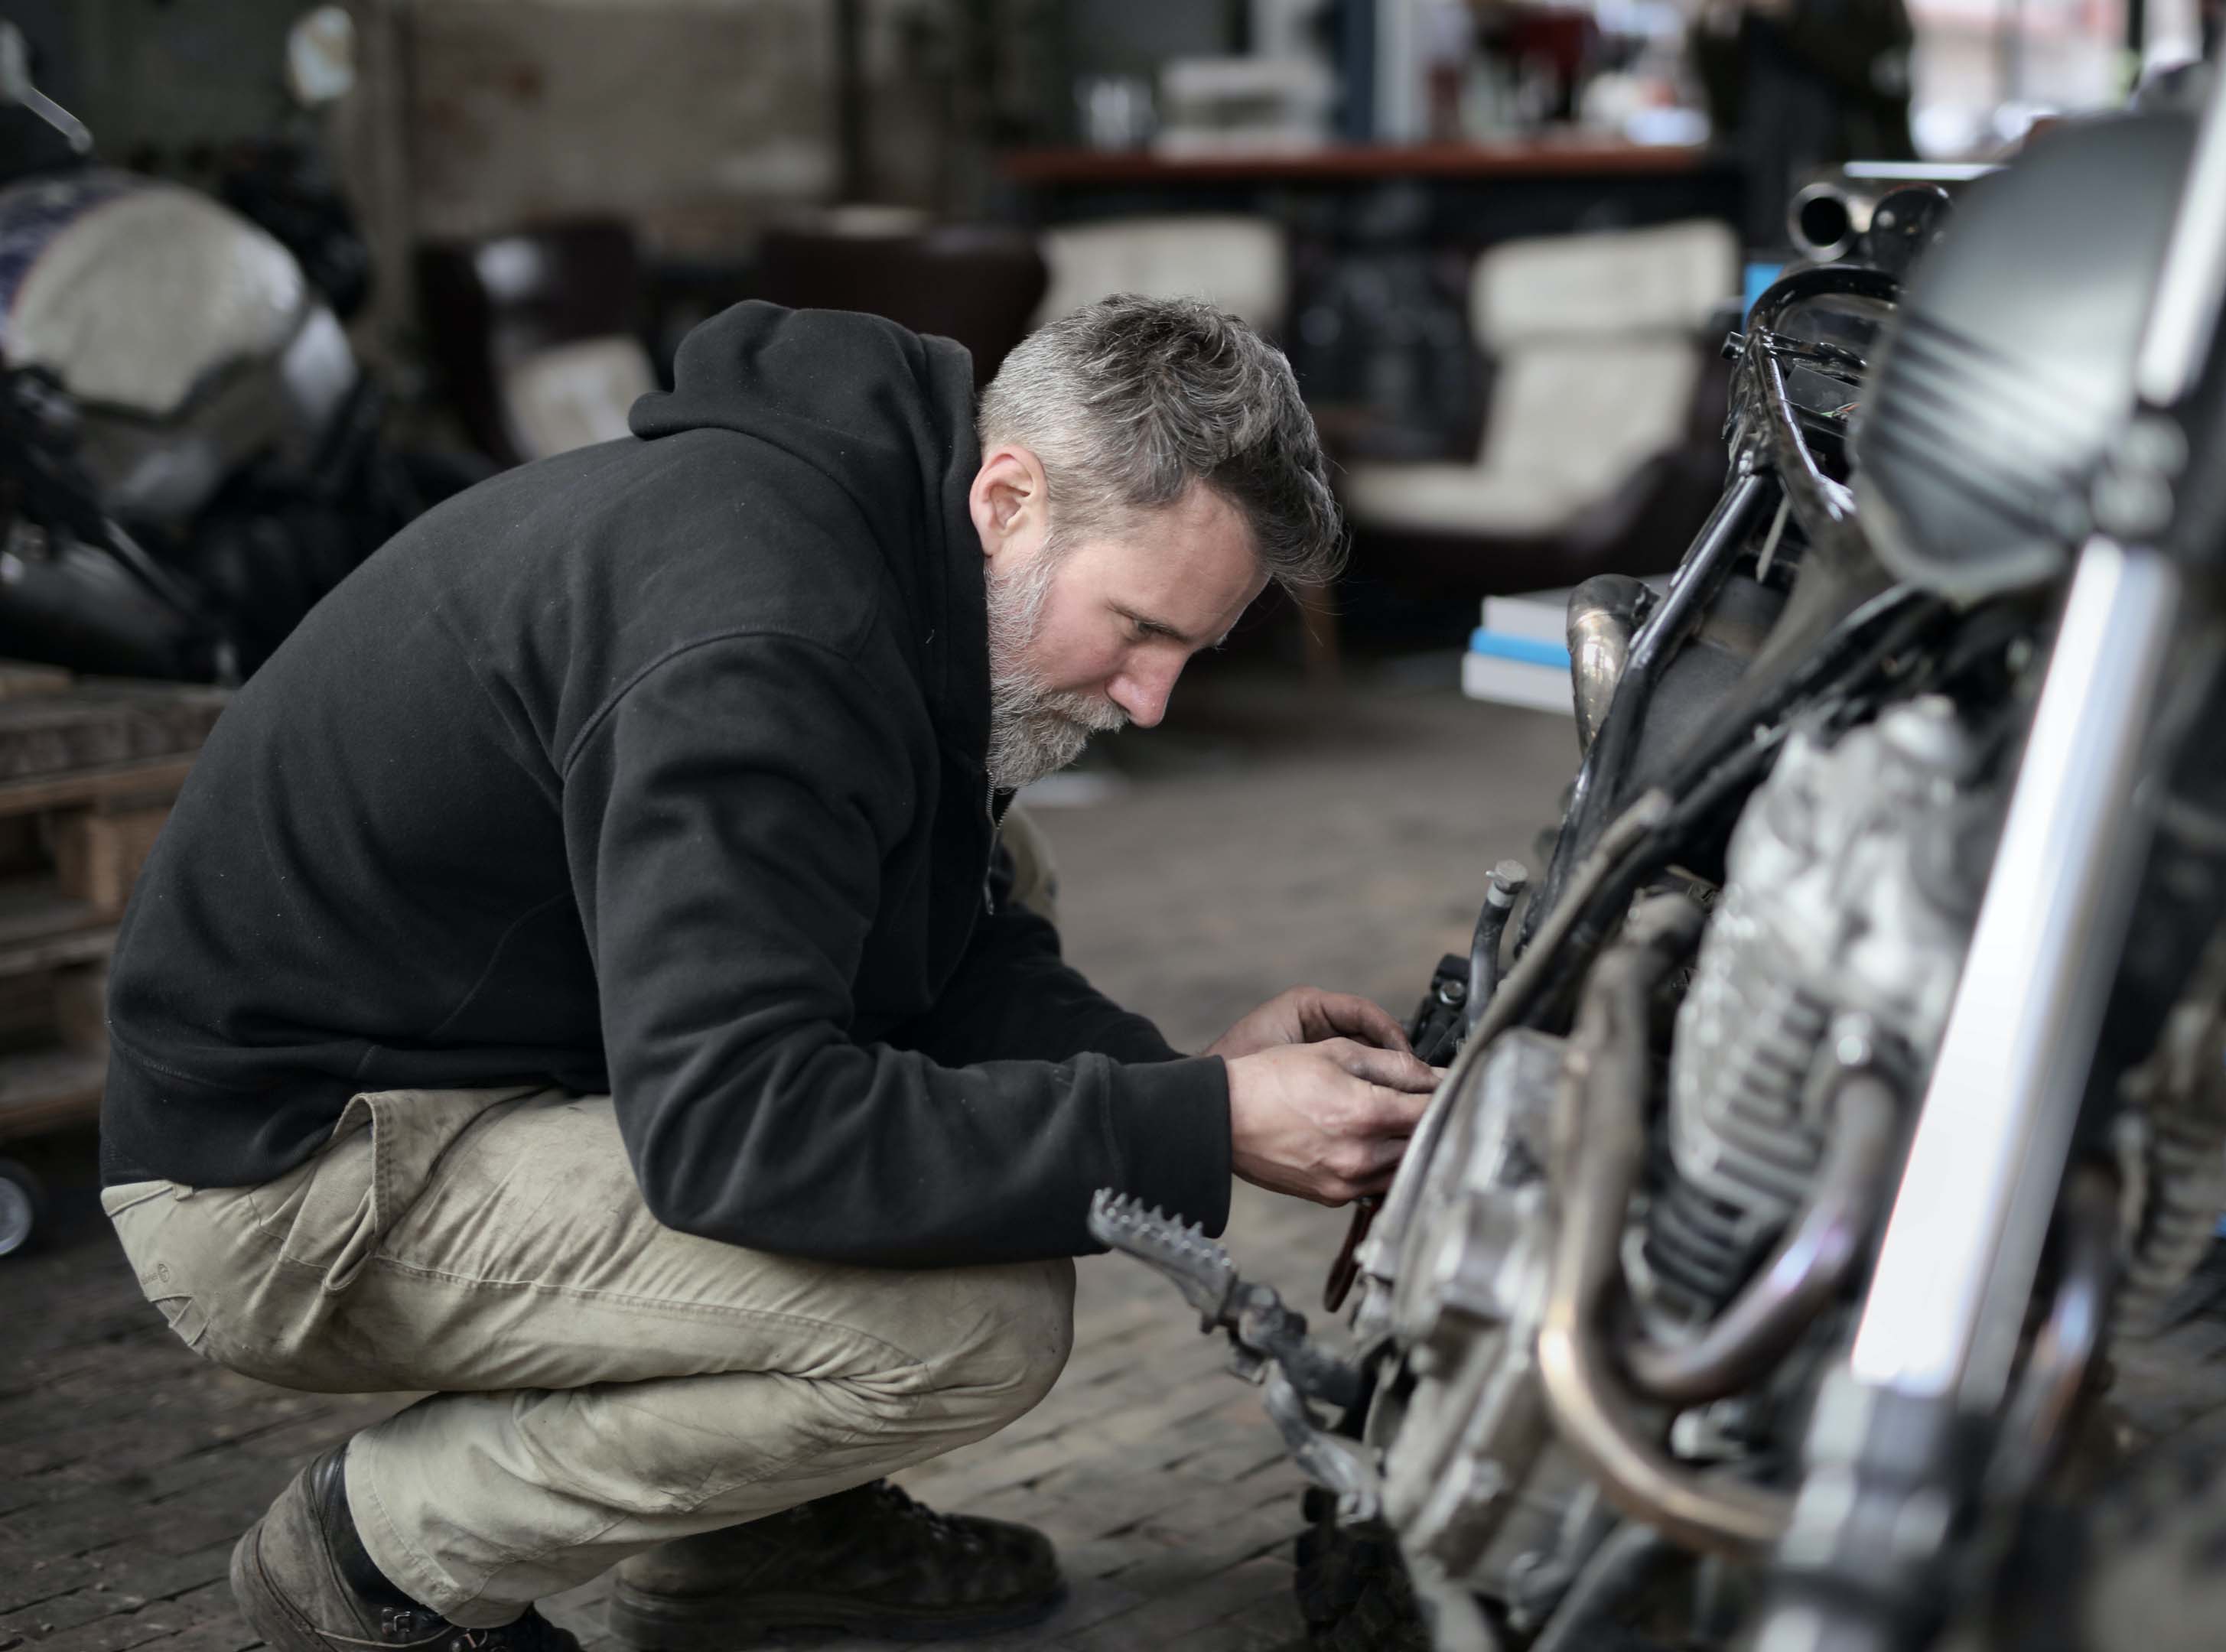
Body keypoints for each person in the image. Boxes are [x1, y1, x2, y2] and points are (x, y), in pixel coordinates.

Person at [97, 295, 1440, 1652]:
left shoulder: (883, 544)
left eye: (1190, 656)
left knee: (1000, 869)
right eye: (1142, 630)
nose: (1152, 700)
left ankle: (748, 1537)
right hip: (285, 1176)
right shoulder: (765, 644)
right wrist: (1203, 1130)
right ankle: (378, 1556)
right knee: (972, 1324)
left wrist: (1196, 1086)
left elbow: (948, 955)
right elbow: (742, 1130)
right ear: (1009, 496)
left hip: (485, 1049)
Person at [1692, 0, 1917, 249]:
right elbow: (1730, 111)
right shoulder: (1758, 23)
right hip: (1769, 202)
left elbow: (1881, 81)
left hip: (1858, 201)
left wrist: (1792, 17)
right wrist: (1716, 26)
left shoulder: (1872, 10)